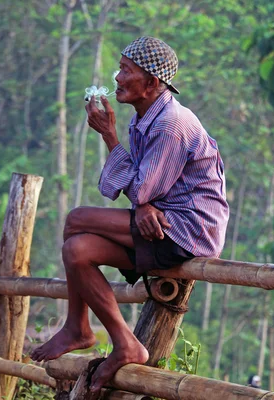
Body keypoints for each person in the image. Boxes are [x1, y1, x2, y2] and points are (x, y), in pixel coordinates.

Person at [31, 36, 229, 393]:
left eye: (126, 71)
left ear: (151, 83)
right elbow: (142, 190)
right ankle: (123, 341)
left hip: (186, 230)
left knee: (76, 218)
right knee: (77, 250)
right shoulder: (145, 118)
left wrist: (109, 135)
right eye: (120, 69)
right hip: (161, 222)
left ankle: (77, 327)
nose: (117, 78)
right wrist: (144, 203)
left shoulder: (170, 124)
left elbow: (139, 189)